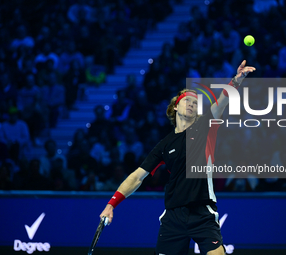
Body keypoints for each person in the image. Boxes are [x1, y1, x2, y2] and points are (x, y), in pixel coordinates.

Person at [100, 60, 255, 255]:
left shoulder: (205, 127)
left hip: (203, 211)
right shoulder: (165, 144)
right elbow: (137, 177)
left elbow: (220, 103)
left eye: (195, 103)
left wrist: (236, 81)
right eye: (187, 100)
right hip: (173, 216)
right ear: (176, 107)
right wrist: (111, 205)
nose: (191, 104)